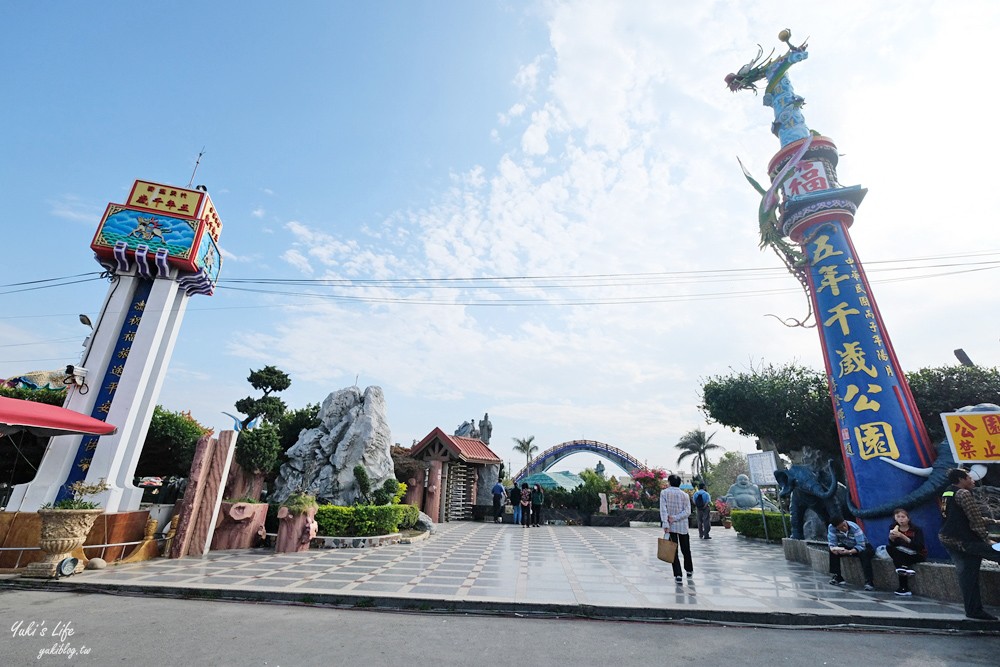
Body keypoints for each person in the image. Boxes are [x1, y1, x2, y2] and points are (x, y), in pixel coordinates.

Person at [938, 468, 1000, 621]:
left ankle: (973, 610)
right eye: (969, 478)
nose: (973, 481)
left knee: (968, 575)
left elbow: (959, 516)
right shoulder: (964, 494)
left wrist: (994, 521)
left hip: (948, 538)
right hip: (963, 540)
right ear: (961, 479)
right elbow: (975, 520)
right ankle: (974, 610)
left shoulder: (948, 492)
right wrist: (987, 538)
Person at [659, 474, 693, 584]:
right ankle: (689, 569)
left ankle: (678, 574)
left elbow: (663, 509)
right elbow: (687, 512)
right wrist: (676, 518)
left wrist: (666, 523)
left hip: (670, 526)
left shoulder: (664, 493)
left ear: (669, 482)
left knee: (673, 550)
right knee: (686, 549)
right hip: (683, 526)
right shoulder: (685, 495)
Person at [827, 516, 875, 591]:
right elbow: (832, 543)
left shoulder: (854, 527)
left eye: (844, 525)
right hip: (847, 545)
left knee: (865, 554)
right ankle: (837, 576)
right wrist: (834, 549)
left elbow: (861, 545)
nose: (844, 528)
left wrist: (849, 552)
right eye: (841, 527)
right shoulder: (831, 528)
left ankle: (869, 581)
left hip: (863, 546)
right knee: (832, 552)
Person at [886, 507, 926, 596]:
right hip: (902, 554)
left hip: (916, 554)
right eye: (898, 517)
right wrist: (891, 538)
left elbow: (919, 546)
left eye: (903, 517)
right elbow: (894, 546)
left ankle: (903, 587)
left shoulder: (916, 530)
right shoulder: (893, 527)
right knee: (891, 550)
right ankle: (903, 584)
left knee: (899, 560)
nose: (901, 519)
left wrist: (902, 536)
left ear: (908, 518)